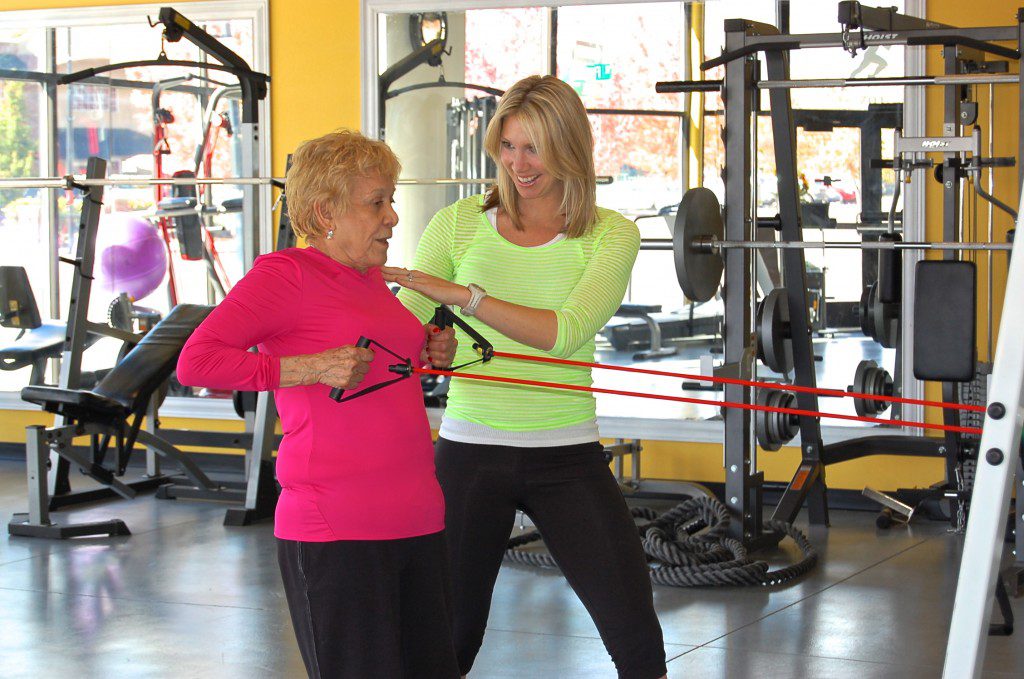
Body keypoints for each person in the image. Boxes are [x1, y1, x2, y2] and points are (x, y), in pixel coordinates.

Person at [384, 75, 668, 679]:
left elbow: (564, 332)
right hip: (469, 453)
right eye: (509, 146)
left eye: (534, 147)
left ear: (569, 148)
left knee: (636, 638)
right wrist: (424, 343)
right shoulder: (459, 223)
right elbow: (400, 324)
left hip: (565, 454)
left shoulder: (612, 234)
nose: (519, 164)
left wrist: (464, 297)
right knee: (448, 643)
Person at [176, 129, 460, 679]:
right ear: (324, 210)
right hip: (338, 527)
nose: (393, 217)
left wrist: (428, 351)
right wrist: (308, 367)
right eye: (376, 203)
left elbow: (375, 368)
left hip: (418, 515)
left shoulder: (373, 278)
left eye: (392, 200)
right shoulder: (287, 276)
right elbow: (197, 361)